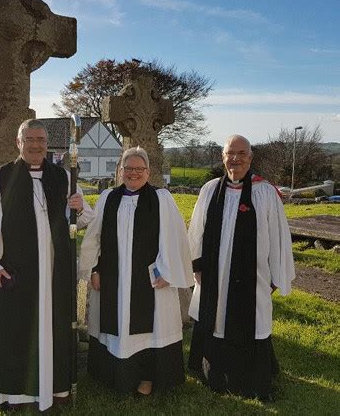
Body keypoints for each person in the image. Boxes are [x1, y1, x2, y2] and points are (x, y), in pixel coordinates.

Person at [0, 119, 94, 411]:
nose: (36, 145)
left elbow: (83, 220)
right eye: (30, 140)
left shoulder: (62, 177)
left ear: (47, 144)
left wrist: (78, 205)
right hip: (16, 271)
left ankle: (55, 389)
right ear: (19, 142)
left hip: (55, 273)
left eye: (41, 140)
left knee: (55, 329)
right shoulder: (2, 177)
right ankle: (14, 395)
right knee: (14, 331)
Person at [79, 147, 194, 396]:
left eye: (138, 169)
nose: (133, 173)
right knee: (115, 324)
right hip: (113, 279)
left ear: (148, 172)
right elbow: (94, 238)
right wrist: (95, 269)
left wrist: (168, 271)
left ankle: (147, 377)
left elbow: (175, 238)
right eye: (128, 168)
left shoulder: (161, 199)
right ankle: (113, 375)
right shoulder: (108, 197)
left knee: (150, 328)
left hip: (151, 281)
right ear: (120, 171)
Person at [187, 135, 295, 400]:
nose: (235, 158)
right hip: (214, 274)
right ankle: (213, 372)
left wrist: (275, 276)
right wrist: (196, 265)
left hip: (252, 275)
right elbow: (197, 231)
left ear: (250, 157)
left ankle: (251, 379)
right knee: (215, 318)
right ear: (222, 157)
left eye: (241, 153)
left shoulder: (265, 192)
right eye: (229, 153)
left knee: (252, 318)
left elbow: (278, 236)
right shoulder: (210, 189)